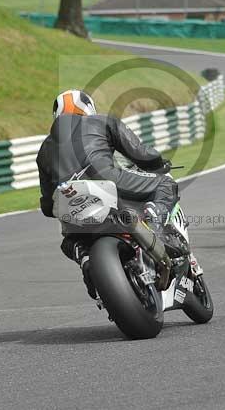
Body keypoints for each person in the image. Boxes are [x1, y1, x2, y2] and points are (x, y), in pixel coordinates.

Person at [36, 89, 176, 297]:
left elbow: (48, 205)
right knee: (165, 184)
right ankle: (154, 218)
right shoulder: (102, 121)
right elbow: (140, 153)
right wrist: (158, 163)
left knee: (70, 239)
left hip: (72, 199)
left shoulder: (44, 150)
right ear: (88, 107)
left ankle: (84, 257)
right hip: (109, 181)